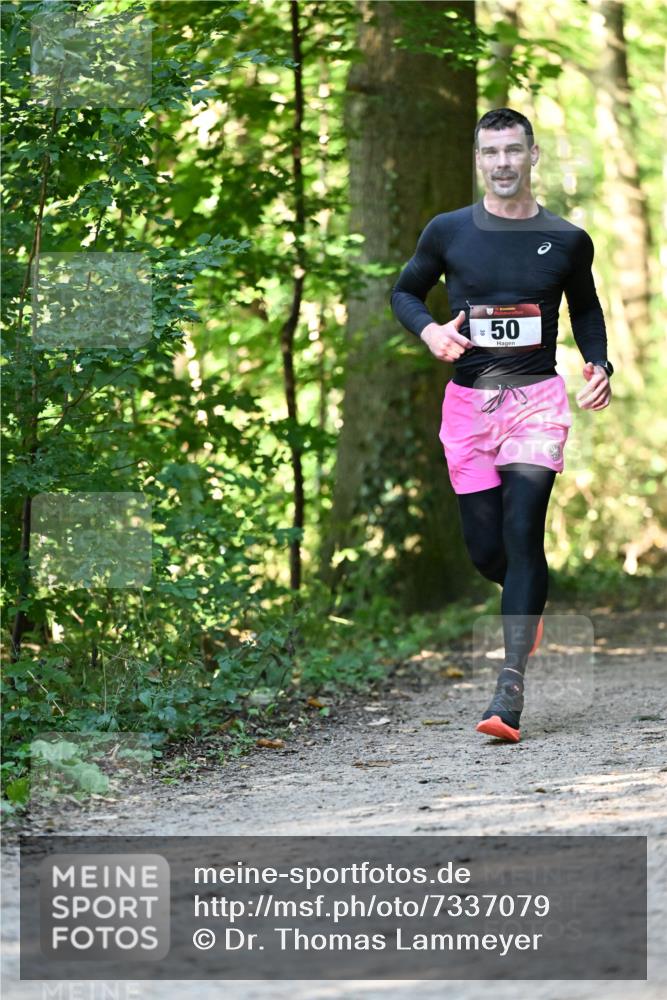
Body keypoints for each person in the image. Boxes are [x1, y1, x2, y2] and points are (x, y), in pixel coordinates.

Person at [390, 107, 612, 743]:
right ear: (479, 160)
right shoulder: (448, 231)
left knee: (522, 529)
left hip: (536, 401)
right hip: (468, 406)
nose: (504, 163)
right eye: (492, 153)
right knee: (489, 551)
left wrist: (599, 362)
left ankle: (508, 687)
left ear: (532, 156)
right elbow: (405, 292)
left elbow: (587, 309)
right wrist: (430, 330)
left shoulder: (567, 239)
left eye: (514, 151)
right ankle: (525, 592)